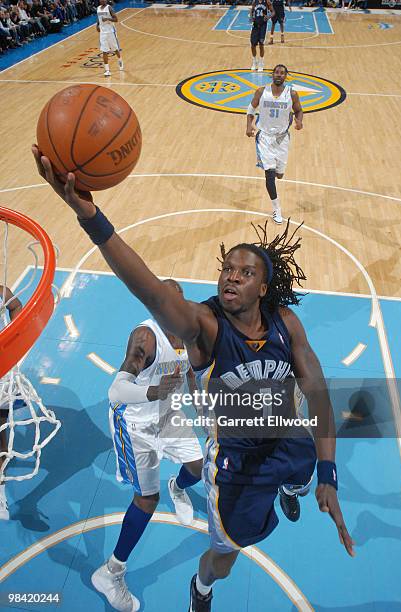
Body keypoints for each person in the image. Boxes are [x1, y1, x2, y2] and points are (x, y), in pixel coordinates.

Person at [32, 145, 355, 612]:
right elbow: (148, 289)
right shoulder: (205, 326)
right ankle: (201, 588)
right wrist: (91, 219)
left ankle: (294, 482)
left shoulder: (286, 322)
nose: (231, 278)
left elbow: (318, 394)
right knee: (224, 557)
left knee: (304, 462)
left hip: (289, 441)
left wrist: (329, 472)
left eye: (246, 273)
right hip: (237, 468)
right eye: (227, 269)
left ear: (263, 288)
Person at [91, 278, 204, 612]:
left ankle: (178, 487)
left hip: (168, 414)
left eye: (179, 303)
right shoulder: (145, 339)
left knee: (199, 466)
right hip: (135, 424)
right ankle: (110, 573)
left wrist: (201, 407)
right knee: (146, 499)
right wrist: (152, 391)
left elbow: (191, 374)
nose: (175, 309)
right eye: (168, 304)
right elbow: (116, 392)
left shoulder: (188, 330)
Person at [246, 64, 303, 224]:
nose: (279, 75)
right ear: (272, 75)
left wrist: (299, 121)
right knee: (269, 174)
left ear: (286, 76)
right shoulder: (261, 92)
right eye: (276, 72)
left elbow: (298, 110)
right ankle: (277, 209)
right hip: (264, 138)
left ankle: (278, 173)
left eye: (282, 73)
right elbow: (250, 109)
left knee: (279, 174)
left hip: (282, 139)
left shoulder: (291, 94)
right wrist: (249, 125)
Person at [0, 285, 22, 521]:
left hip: (1, 376)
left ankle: (0, 491)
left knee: (0, 435)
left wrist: (14, 341)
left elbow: (16, 306)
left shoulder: (0, 291)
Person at [96, 0, 123, 77]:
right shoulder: (98, 8)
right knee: (104, 51)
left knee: (115, 49)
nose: (103, 0)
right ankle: (107, 70)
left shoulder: (109, 8)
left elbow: (116, 19)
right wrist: (97, 25)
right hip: (102, 33)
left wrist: (108, 18)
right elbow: (99, 18)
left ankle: (120, 60)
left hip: (111, 31)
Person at [249, 0, 273, 72]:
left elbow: (273, 12)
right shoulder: (254, 1)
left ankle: (261, 63)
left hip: (263, 25)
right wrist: (251, 17)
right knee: (253, 45)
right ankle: (254, 61)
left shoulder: (267, 2)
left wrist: (268, 17)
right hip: (255, 25)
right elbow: (251, 10)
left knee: (261, 44)